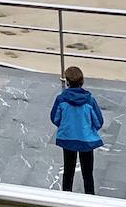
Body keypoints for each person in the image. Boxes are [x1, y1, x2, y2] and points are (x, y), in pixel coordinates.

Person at [50, 65, 104, 194]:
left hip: (68, 138)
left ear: (67, 82)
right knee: (87, 173)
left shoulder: (61, 99)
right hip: (86, 139)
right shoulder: (89, 100)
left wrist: (66, 127)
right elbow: (98, 121)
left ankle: (66, 198)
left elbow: (55, 118)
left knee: (68, 170)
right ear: (82, 82)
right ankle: (89, 199)